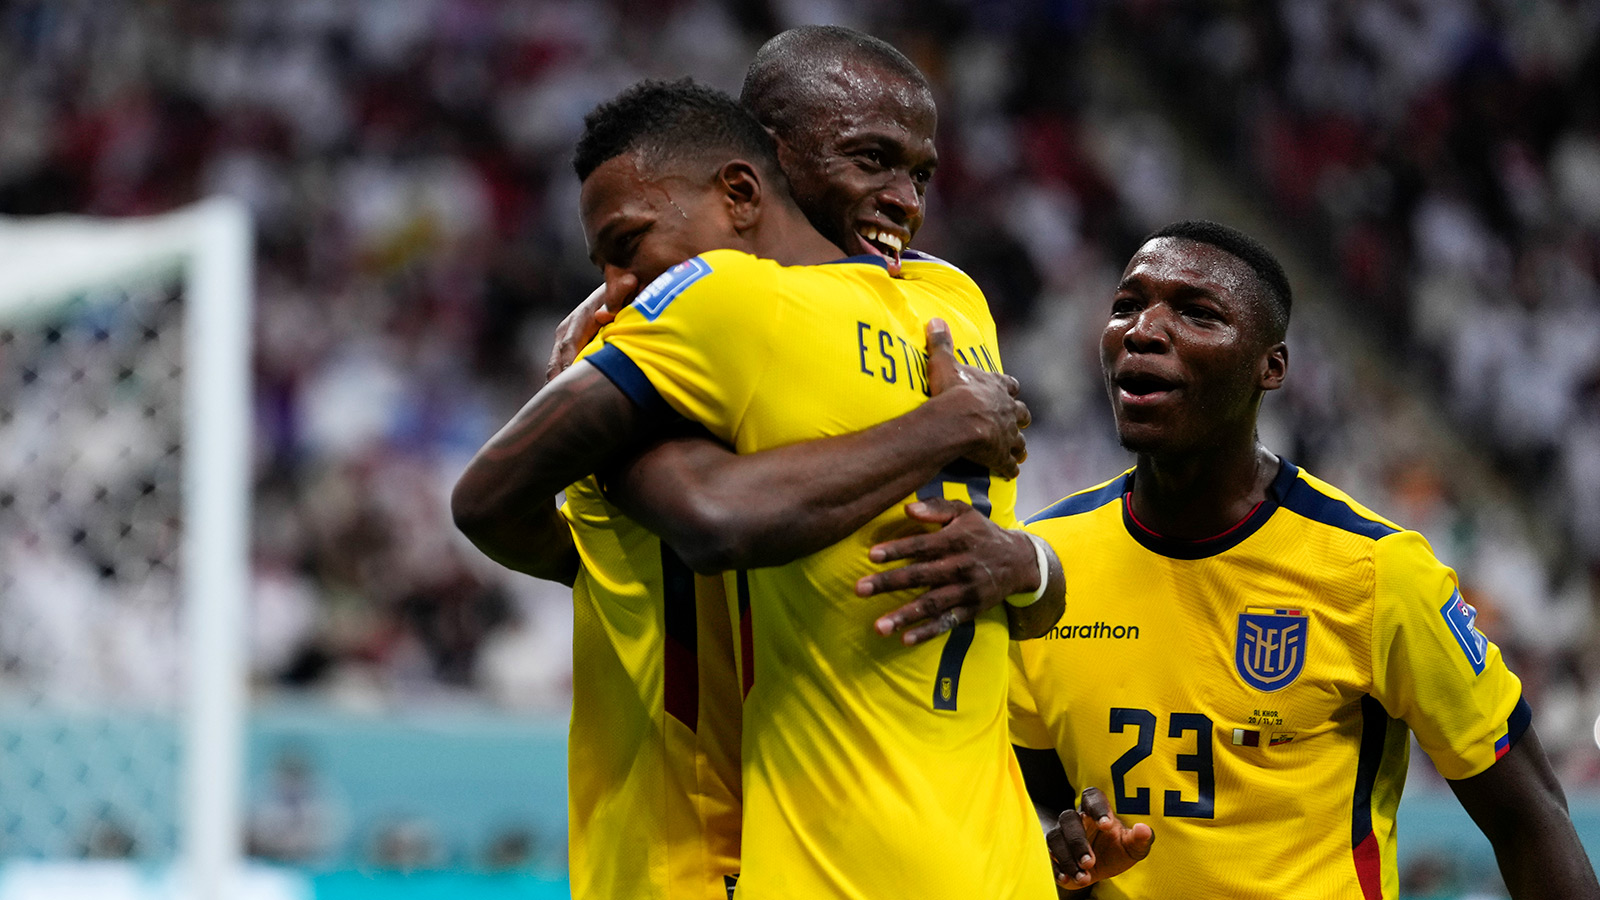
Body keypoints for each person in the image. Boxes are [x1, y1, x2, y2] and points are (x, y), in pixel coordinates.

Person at [453, 75, 1062, 900]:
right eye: (872, 160)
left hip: (743, 848)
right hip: (906, 850)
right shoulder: (950, 304)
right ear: (774, 163)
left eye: (918, 172)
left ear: (745, 188)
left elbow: (504, 503)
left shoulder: (737, 305)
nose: (903, 198)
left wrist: (1026, 561)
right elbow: (714, 524)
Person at [980, 220, 1598, 898]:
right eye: (1126, 306)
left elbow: (1529, 816)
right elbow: (1035, 808)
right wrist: (1063, 852)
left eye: (1196, 313)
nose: (1143, 330)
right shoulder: (1045, 565)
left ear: (1270, 367)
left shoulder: (1374, 570)